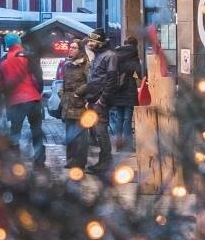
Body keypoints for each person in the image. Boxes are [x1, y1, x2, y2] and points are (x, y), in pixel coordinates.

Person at [0, 33, 46, 163]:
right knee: (36, 129)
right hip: (33, 99)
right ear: (19, 42)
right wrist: (37, 92)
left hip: (15, 102)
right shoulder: (30, 57)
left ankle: (15, 160)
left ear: (7, 44)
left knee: (15, 131)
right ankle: (39, 157)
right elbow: (39, 78)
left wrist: (7, 91)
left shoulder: (3, 60)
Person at [57, 38, 95, 168]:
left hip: (80, 104)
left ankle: (79, 162)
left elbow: (91, 82)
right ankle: (70, 160)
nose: (70, 50)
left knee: (80, 135)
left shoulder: (86, 65)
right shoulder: (67, 64)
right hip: (67, 104)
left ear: (80, 50)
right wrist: (61, 93)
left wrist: (78, 92)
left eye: (74, 48)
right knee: (69, 134)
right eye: (70, 47)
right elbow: (63, 82)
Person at [82, 29, 117, 163]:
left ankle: (105, 162)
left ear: (100, 42)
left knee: (101, 132)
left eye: (92, 41)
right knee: (98, 132)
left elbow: (112, 79)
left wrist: (102, 99)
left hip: (100, 101)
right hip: (93, 99)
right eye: (89, 41)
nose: (89, 43)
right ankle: (103, 162)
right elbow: (94, 79)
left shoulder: (109, 56)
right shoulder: (97, 56)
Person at [109, 35, 143, 146]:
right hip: (129, 90)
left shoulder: (116, 54)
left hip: (118, 90)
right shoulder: (133, 56)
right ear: (135, 45)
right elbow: (140, 73)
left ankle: (119, 143)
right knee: (127, 118)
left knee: (119, 118)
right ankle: (128, 144)